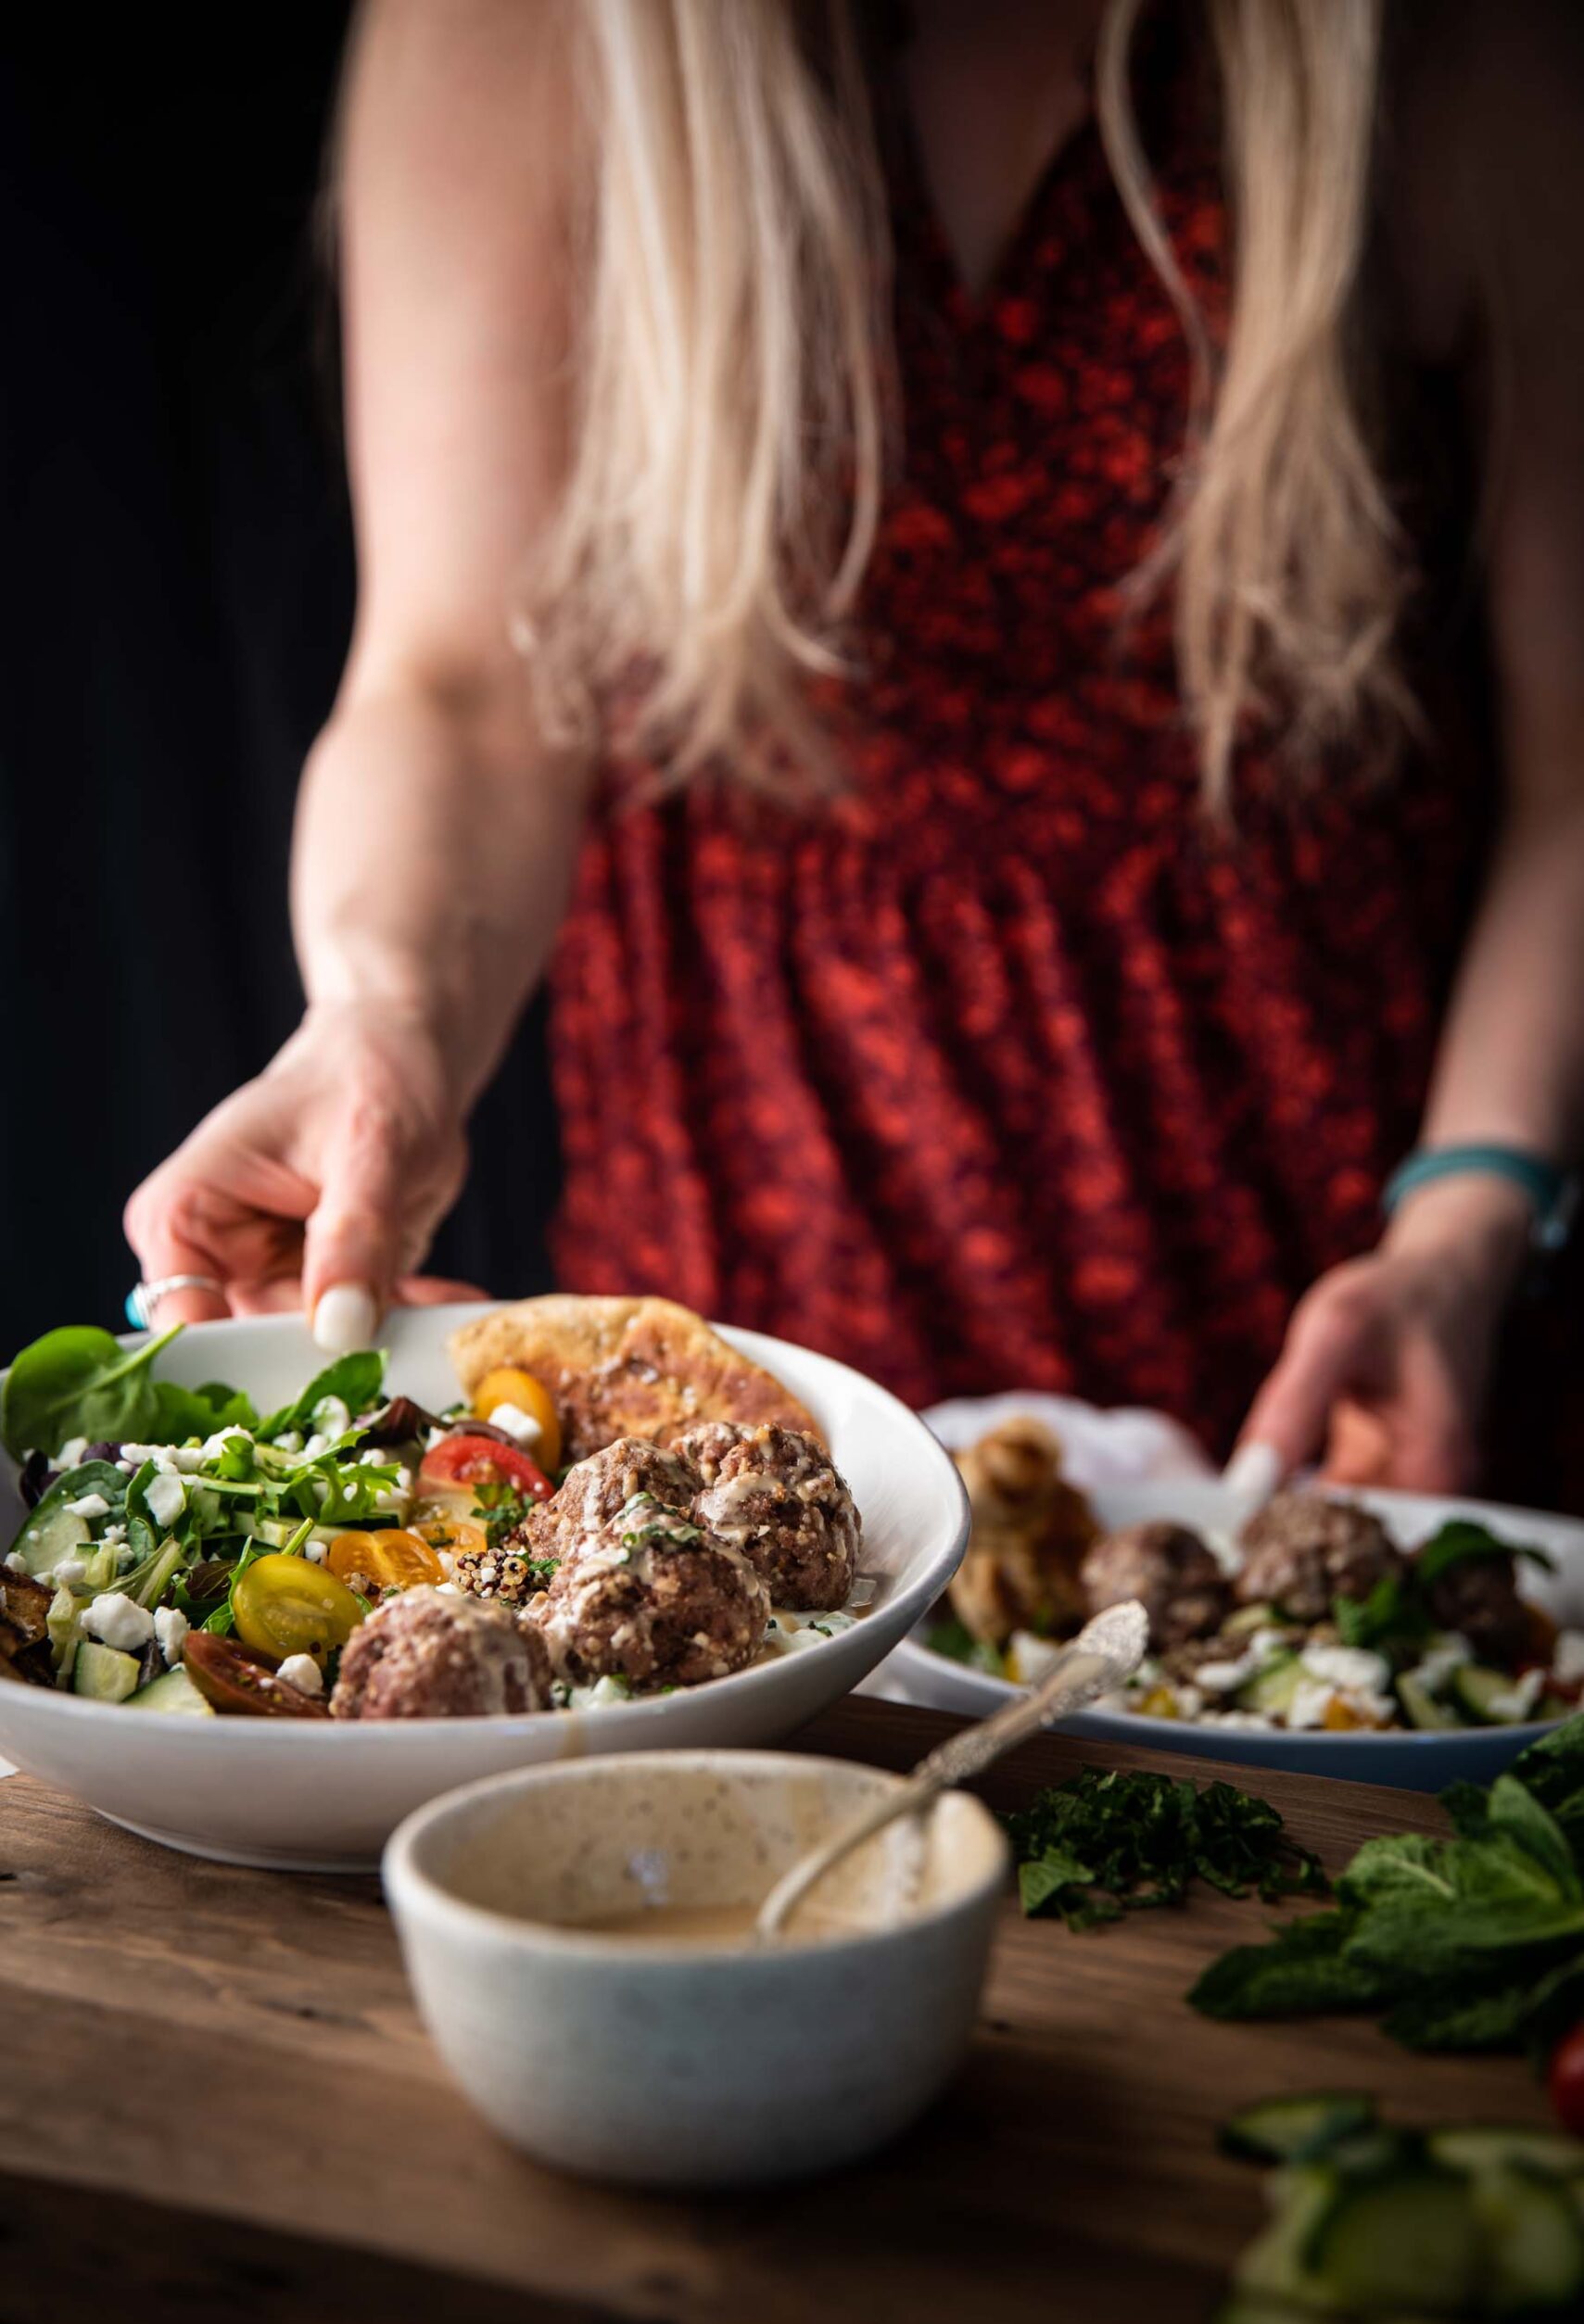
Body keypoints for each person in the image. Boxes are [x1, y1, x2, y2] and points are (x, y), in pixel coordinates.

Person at [124, 0, 1584, 1500]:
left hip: (1332, 1282)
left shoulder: (1450, 51)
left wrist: (1469, 1213)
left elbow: (1572, 783)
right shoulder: (518, 36)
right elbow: (458, 689)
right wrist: (383, 1018)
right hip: (743, 1229)